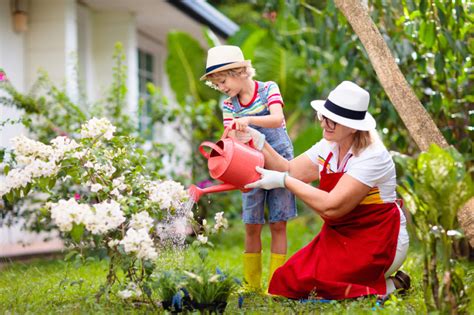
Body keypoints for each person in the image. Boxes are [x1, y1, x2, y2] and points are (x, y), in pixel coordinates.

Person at [244, 81, 410, 300]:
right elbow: (291, 170)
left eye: (335, 121)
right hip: (338, 237)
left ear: (353, 127)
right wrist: (260, 143)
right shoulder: (328, 145)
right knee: (286, 282)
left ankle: (392, 285)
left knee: (326, 288)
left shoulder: (373, 155)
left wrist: (283, 181)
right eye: (324, 117)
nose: (325, 124)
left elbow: (332, 207)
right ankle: (376, 286)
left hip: (379, 241)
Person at [200, 45, 297, 291]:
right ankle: (251, 284)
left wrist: (249, 120)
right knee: (252, 224)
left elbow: (276, 119)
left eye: (223, 81)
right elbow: (230, 140)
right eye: (217, 85)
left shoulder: (268, 90)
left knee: (278, 222)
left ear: (240, 71)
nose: (222, 88)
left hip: (278, 160)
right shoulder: (229, 105)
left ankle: (277, 284)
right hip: (248, 164)